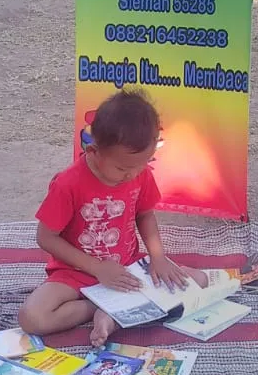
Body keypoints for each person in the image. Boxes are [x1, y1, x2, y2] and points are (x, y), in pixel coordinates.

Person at [19, 90, 190, 348]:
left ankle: (111, 312)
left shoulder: (139, 174)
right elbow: (45, 237)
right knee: (32, 318)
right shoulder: (68, 184)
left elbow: (145, 214)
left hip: (126, 269)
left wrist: (158, 258)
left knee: (195, 282)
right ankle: (99, 307)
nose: (133, 174)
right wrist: (97, 268)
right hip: (76, 271)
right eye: (122, 168)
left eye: (143, 164)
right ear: (94, 151)